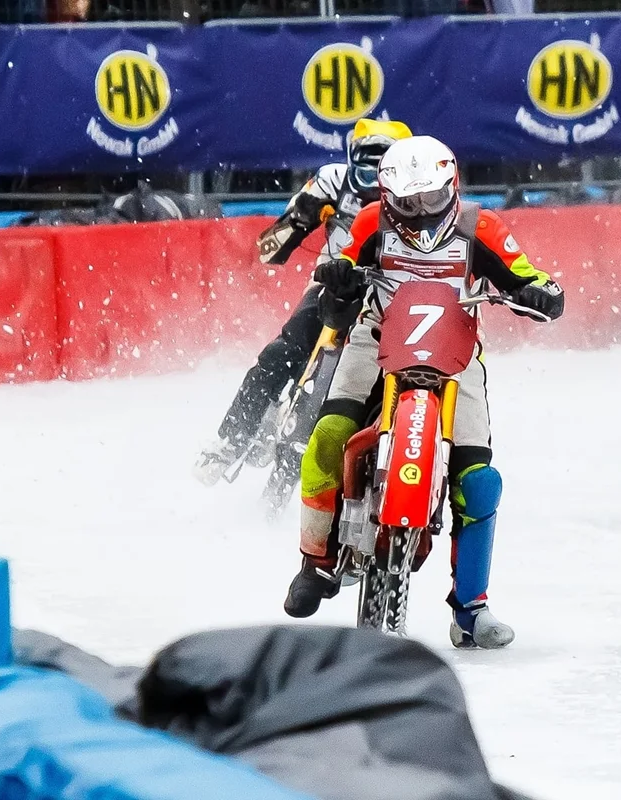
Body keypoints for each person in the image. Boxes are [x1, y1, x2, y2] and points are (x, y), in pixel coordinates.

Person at [284, 135, 566, 650]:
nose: (418, 211)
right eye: (406, 202)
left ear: (451, 185)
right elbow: (342, 266)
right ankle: (317, 562)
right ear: (386, 195)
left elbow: (529, 275)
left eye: (429, 199)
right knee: (328, 434)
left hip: (455, 353)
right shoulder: (370, 222)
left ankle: (471, 609)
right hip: (375, 337)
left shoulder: (483, 228)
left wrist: (540, 292)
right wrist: (340, 275)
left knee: (478, 481)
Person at [193, 119, 413, 485]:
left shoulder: (420, 194)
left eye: (383, 162)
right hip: (333, 288)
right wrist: (299, 218)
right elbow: (271, 247)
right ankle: (231, 439)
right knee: (281, 353)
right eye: (368, 160)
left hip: (394, 297)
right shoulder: (331, 180)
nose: (375, 171)